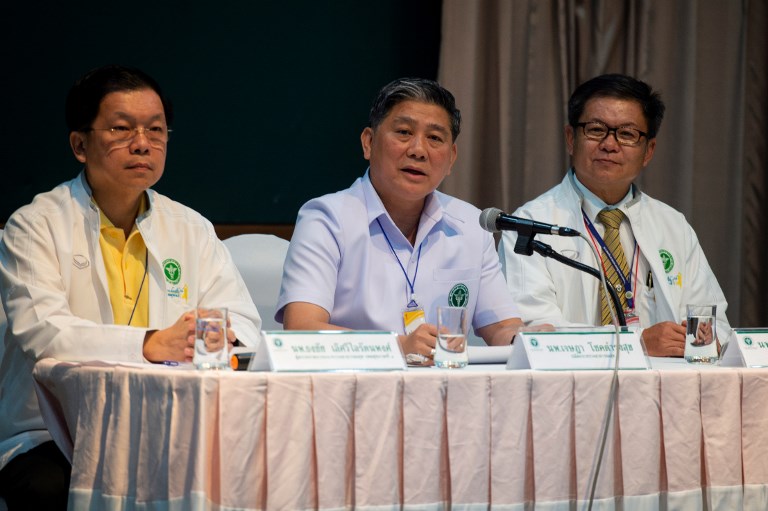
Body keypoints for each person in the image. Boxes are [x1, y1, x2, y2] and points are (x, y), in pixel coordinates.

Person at [0, 65, 262, 508]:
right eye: (121, 129)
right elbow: (44, 333)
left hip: (170, 426)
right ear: (80, 145)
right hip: (55, 432)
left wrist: (219, 337)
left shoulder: (191, 228)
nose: (142, 143)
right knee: (49, 489)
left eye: (156, 130)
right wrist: (151, 344)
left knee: (248, 474)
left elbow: (245, 325)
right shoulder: (35, 225)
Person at [276, 77, 527, 360]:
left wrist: (526, 338)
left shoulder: (471, 224)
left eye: (434, 138)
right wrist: (396, 348)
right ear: (369, 143)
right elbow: (301, 329)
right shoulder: (326, 219)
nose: (418, 150)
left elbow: (501, 327)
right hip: (353, 390)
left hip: (445, 393)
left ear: (451, 159)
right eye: (404, 132)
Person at [499, 73, 731, 357]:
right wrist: (637, 343)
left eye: (627, 134)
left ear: (649, 151)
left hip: (665, 391)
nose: (610, 144)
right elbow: (535, 333)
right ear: (571, 139)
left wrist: (701, 338)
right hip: (569, 391)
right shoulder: (529, 224)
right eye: (596, 130)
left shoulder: (673, 225)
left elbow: (717, 323)